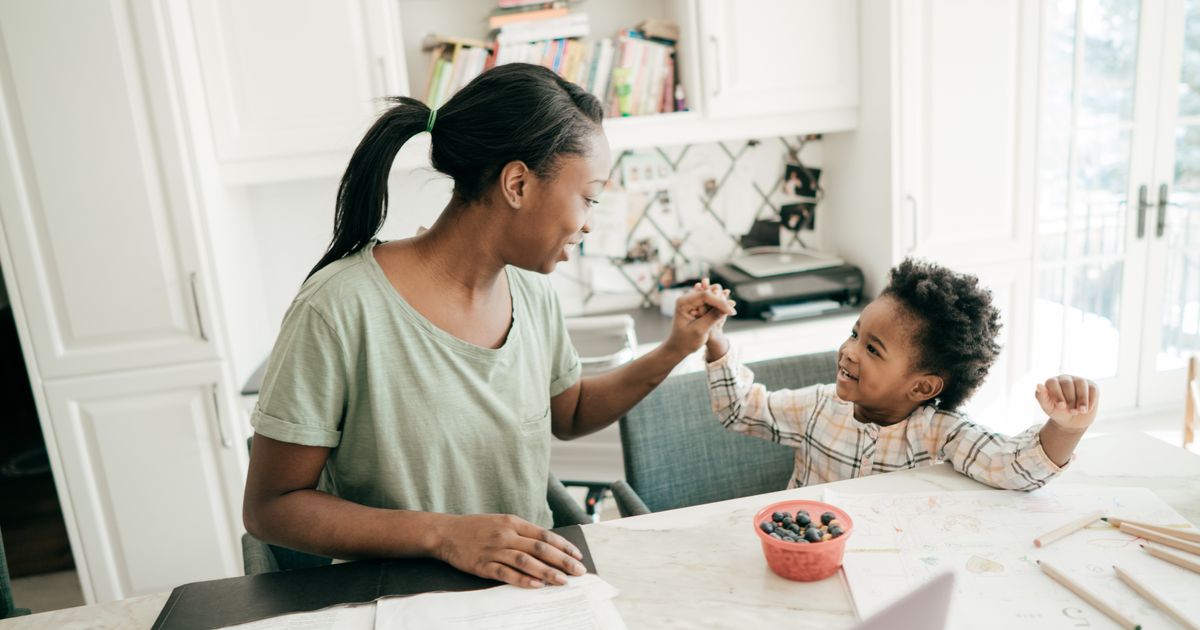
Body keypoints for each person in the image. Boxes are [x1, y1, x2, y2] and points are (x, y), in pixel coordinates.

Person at [242, 64, 732, 590]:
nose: (590, 221)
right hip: (399, 603)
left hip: (527, 592)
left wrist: (676, 348)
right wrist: (445, 535)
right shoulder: (339, 307)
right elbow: (272, 508)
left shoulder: (533, 292)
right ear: (517, 184)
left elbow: (569, 412)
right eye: (588, 197)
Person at [690, 259, 1098, 490]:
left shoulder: (940, 433)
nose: (849, 351)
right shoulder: (818, 407)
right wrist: (715, 339)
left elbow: (1011, 467)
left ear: (922, 386)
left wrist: (1065, 428)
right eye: (855, 334)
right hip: (809, 559)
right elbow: (739, 410)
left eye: (872, 348)